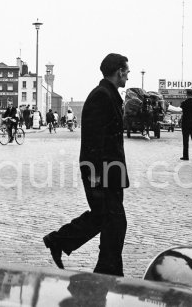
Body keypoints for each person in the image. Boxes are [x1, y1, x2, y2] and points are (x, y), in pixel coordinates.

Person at [43, 53, 130, 276]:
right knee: (114, 221)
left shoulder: (108, 94)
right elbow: (93, 138)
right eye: (127, 71)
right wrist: (94, 174)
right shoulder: (102, 96)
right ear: (119, 71)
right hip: (102, 172)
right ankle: (106, 270)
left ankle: (61, 242)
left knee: (106, 219)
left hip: (111, 171)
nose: (128, 76)